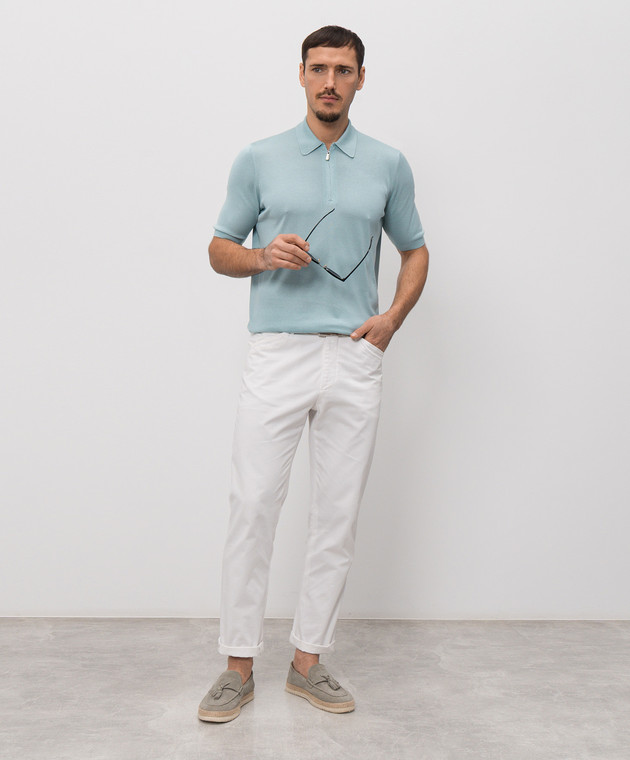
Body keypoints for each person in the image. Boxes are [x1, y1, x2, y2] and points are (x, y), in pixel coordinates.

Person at [198, 25, 429, 723]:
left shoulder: (388, 163)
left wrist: (391, 320)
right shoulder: (259, 158)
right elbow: (219, 248)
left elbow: (415, 250)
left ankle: (308, 661)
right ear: (300, 74)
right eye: (320, 68)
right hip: (278, 351)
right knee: (252, 506)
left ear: (360, 79)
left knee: (337, 514)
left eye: (344, 70)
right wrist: (262, 256)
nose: (330, 81)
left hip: (354, 356)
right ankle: (237, 667)